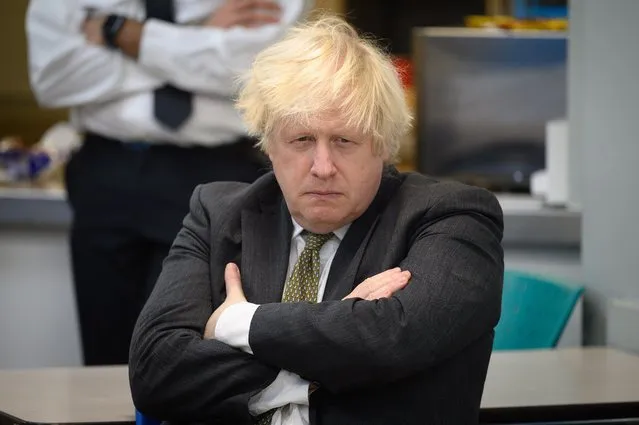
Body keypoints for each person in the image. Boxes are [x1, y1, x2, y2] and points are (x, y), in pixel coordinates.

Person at [129, 15, 504, 425]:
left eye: (344, 141)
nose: (322, 166)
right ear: (269, 146)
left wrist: (236, 323)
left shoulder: (453, 217)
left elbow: (389, 339)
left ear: (382, 144)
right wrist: (336, 346)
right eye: (302, 140)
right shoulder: (217, 213)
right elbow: (154, 370)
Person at [25, 0, 309, 366]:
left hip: (217, 171)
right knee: (104, 353)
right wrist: (197, 40)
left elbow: (251, 68)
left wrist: (122, 35)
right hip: (107, 169)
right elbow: (53, 78)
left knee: (198, 350)